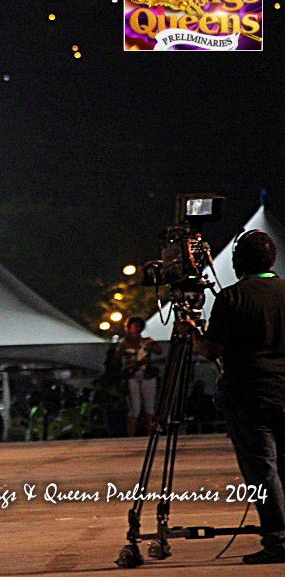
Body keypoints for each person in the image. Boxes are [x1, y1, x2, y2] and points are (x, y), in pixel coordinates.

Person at [180, 230, 285, 565]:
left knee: (263, 473)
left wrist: (192, 331)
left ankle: (278, 541)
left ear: (239, 261)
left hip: (250, 397)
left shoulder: (232, 297)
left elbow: (212, 350)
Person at [115, 317, 163, 436]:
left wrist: (148, 346)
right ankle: (131, 435)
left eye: (136, 326)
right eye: (131, 326)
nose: (133, 329)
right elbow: (117, 357)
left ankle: (151, 433)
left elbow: (159, 351)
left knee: (149, 406)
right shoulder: (124, 342)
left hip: (147, 374)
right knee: (134, 408)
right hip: (132, 375)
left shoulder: (146, 341)